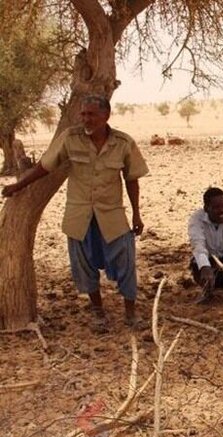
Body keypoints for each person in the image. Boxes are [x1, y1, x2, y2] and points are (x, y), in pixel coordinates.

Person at [2, 94, 149, 332]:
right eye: (83, 114)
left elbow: (132, 179)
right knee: (83, 266)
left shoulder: (123, 143)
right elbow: (44, 166)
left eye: (91, 114)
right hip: (79, 216)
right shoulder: (70, 138)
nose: (86, 119)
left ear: (106, 116)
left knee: (126, 263)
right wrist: (18, 186)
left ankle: (131, 313)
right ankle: (98, 314)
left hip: (112, 215)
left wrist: (136, 214)